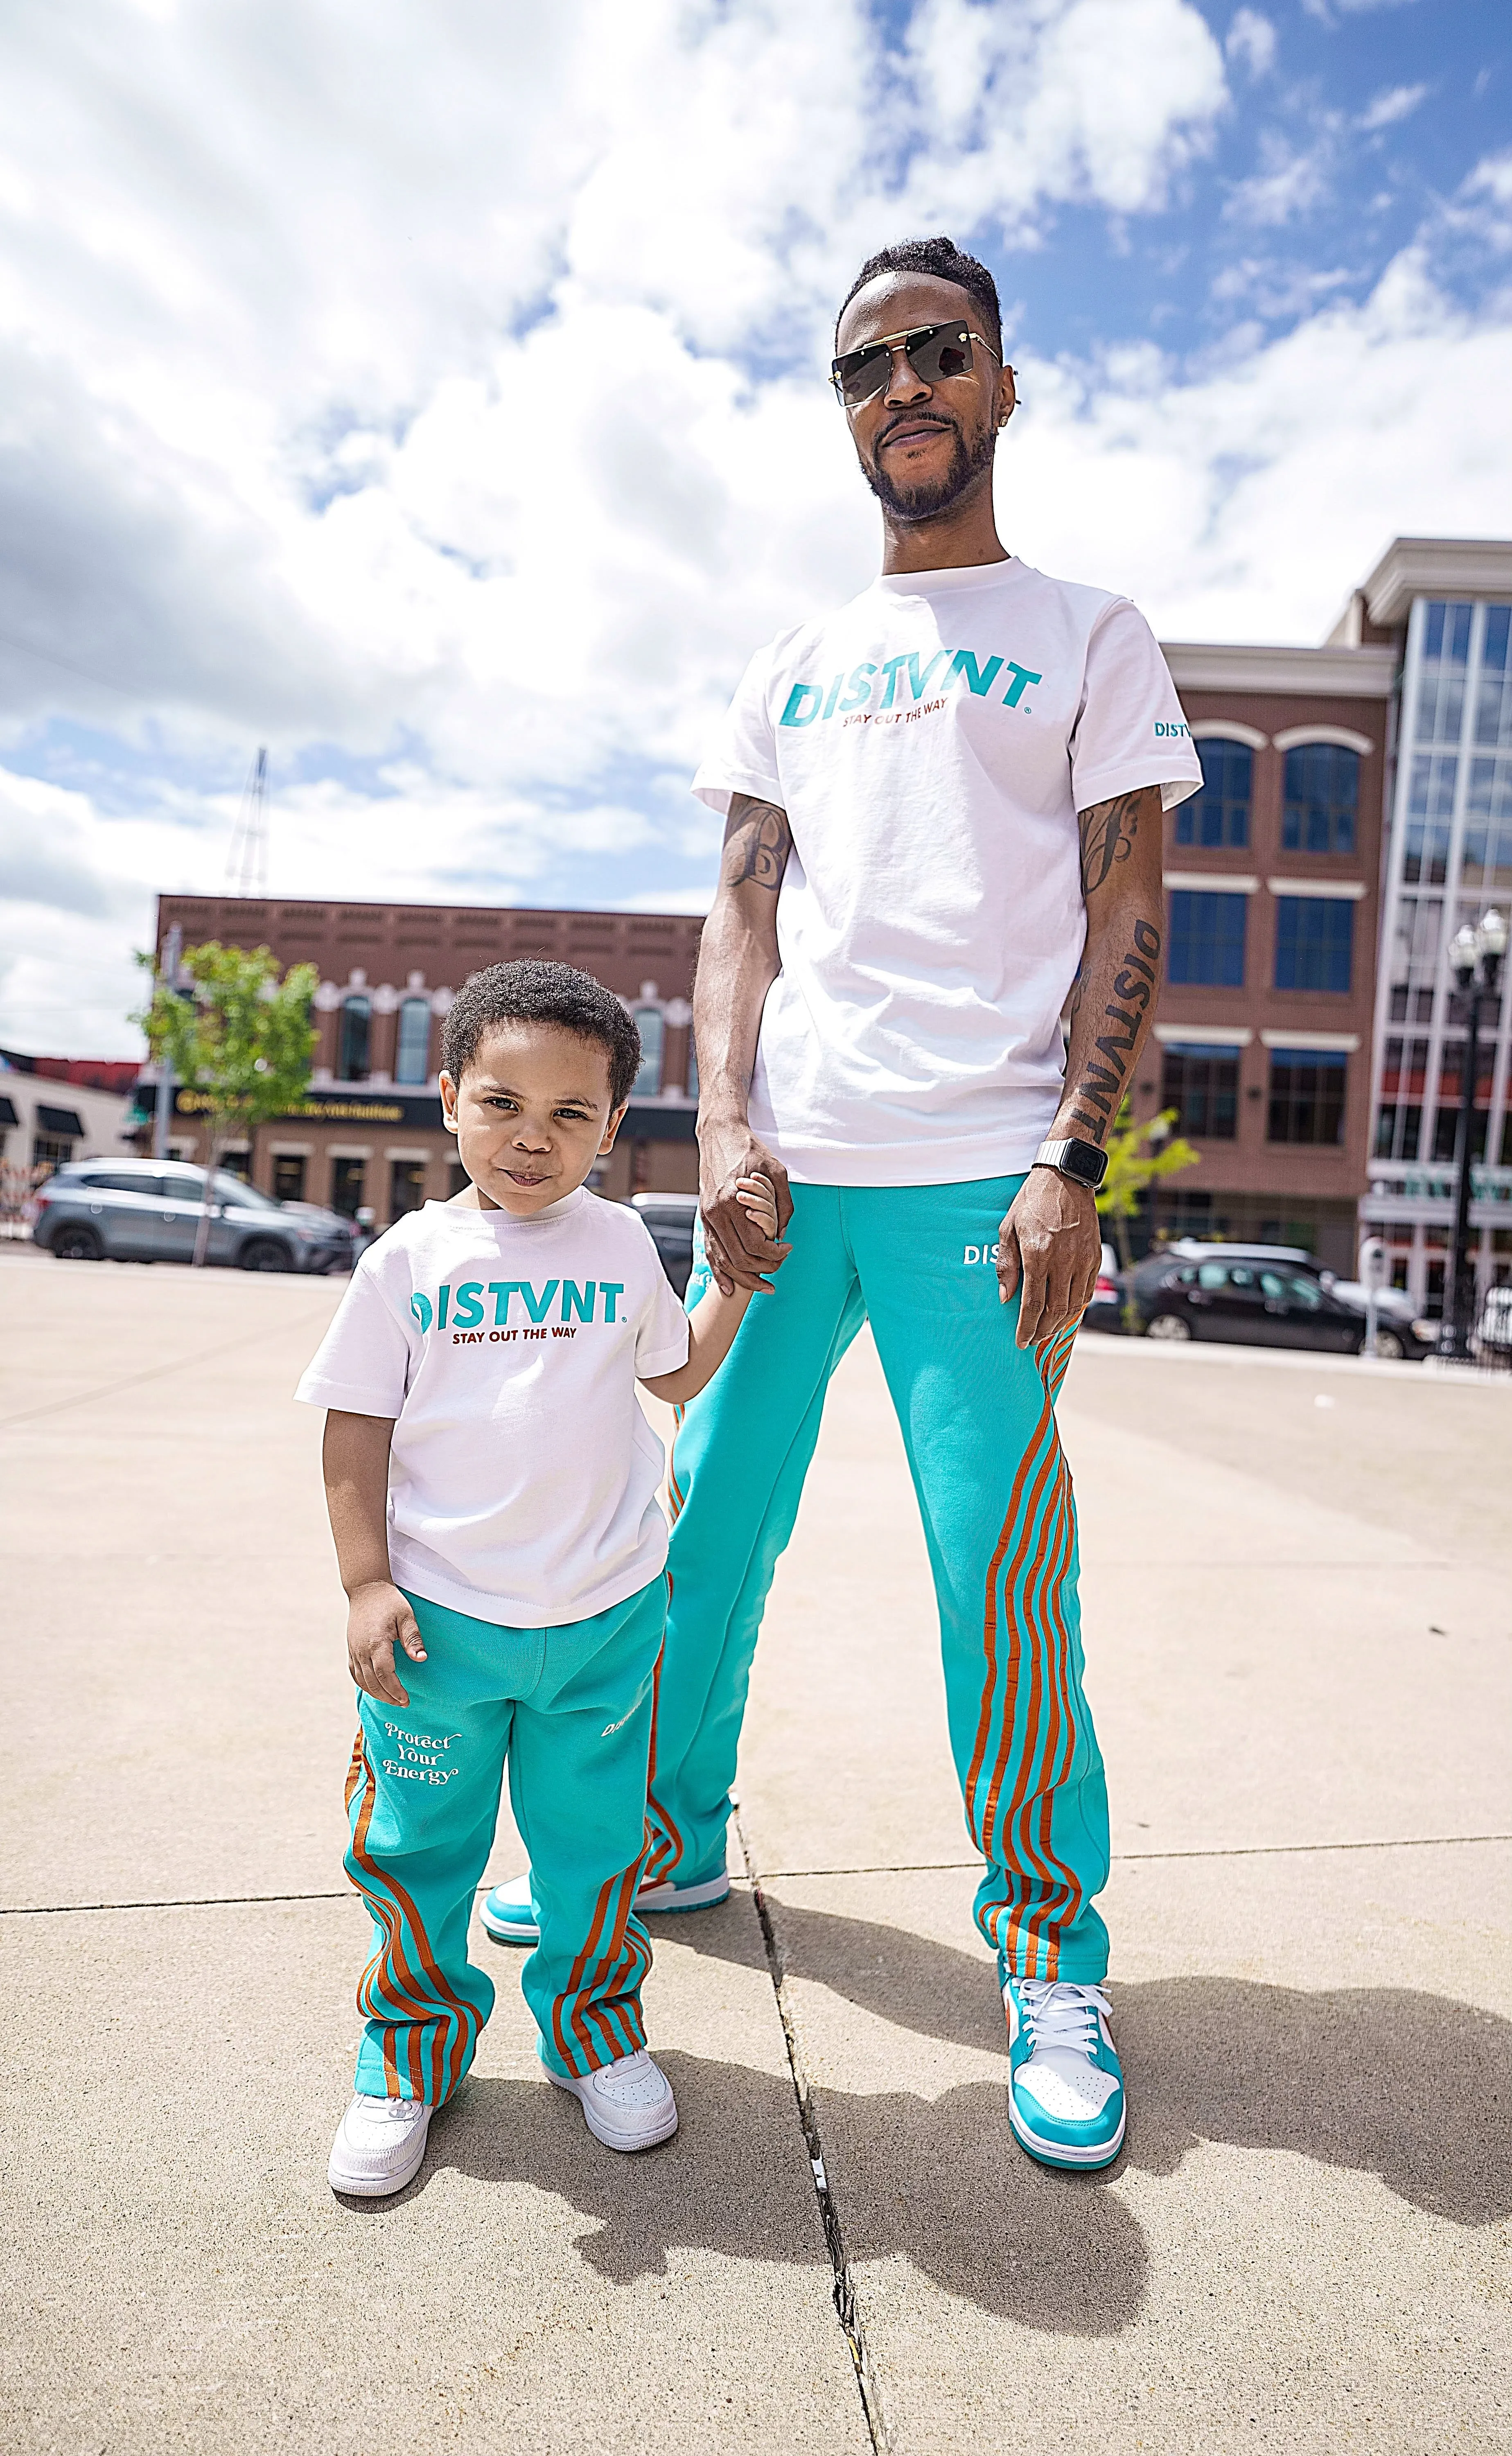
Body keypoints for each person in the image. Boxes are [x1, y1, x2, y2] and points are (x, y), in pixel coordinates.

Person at [486, 235, 1201, 2174]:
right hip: (790, 1174)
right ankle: (666, 1842)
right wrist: (722, 1131)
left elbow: (1128, 904)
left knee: (1000, 1579)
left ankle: (1051, 1950)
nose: (901, 385)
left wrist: (1071, 1157)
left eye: (937, 351)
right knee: (698, 1537)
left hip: (988, 1184)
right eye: (863, 364)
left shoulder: (1084, 631)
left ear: (998, 383)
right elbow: (737, 909)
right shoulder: (790, 661)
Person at [299, 959, 778, 2197]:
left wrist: (734, 1285)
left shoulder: (621, 1240)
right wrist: (364, 1584)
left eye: (572, 1114)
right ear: (448, 1095)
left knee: (594, 1854)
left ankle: (593, 2036)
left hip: (603, 1629)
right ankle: (407, 2053)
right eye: (504, 1103)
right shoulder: (406, 1260)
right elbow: (353, 1430)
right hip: (437, 1633)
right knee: (416, 1850)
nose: (533, 1138)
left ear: (615, 1128)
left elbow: (671, 1379)